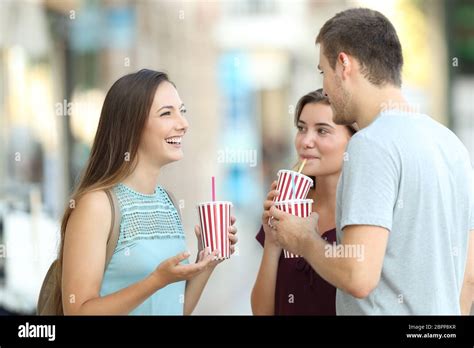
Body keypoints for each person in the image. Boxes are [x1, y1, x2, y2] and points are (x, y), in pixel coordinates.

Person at [268, 8, 474, 315]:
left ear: (343, 64)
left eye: (323, 71)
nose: (324, 87)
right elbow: (467, 279)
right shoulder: (451, 145)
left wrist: (302, 238)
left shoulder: (370, 144)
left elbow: (358, 275)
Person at [61, 69, 238, 315]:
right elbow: (78, 311)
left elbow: (174, 309)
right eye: (166, 113)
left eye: (182, 111)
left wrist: (207, 262)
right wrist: (155, 281)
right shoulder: (97, 205)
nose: (183, 124)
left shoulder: (168, 202)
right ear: (130, 125)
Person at [251, 89, 356, 315]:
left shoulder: (364, 215)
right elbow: (261, 311)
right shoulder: (290, 204)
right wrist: (272, 241)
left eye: (322, 131)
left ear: (353, 140)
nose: (306, 141)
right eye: (301, 128)